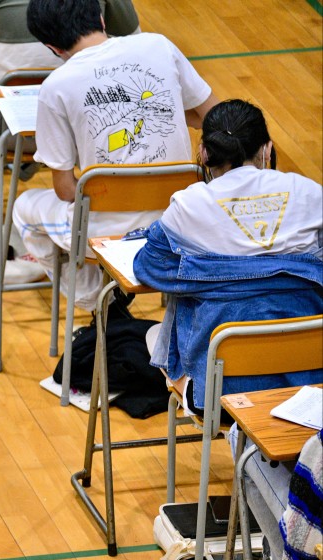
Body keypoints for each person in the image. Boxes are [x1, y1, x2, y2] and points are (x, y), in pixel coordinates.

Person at [12, 0, 218, 311]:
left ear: (52, 47)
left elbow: (66, 191)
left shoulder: (55, 87)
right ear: (100, 18)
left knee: (23, 208)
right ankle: (115, 294)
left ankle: (96, 301)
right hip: (178, 221)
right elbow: (214, 118)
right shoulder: (158, 45)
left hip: (102, 237)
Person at [133, 99, 323, 415]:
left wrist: (209, 281)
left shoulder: (187, 206)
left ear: (204, 153)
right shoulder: (309, 191)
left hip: (221, 396)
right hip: (310, 387)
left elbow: (148, 268)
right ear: (267, 149)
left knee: (174, 320)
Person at [0, 0, 139, 189]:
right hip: (100, 127)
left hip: (16, 130)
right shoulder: (158, 47)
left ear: (52, 47)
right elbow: (133, 52)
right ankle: (28, 164)